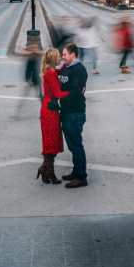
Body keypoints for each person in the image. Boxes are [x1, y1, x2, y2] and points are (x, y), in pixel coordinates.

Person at [48, 43, 88, 189]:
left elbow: (76, 93)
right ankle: (76, 171)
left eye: (64, 54)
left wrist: (58, 103)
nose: (62, 57)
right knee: (73, 145)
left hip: (75, 113)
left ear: (73, 54)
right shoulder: (68, 68)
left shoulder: (79, 69)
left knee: (76, 146)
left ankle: (81, 177)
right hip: (68, 113)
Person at [38, 48, 69, 184]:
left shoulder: (51, 72)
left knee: (52, 140)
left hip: (49, 110)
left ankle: (45, 169)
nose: (60, 58)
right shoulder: (50, 74)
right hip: (49, 111)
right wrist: (74, 92)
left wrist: (66, 62)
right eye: (58, 56)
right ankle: (49, 172)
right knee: (51, 141)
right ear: (51, 59)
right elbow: (58, 94)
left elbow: (61, 71)